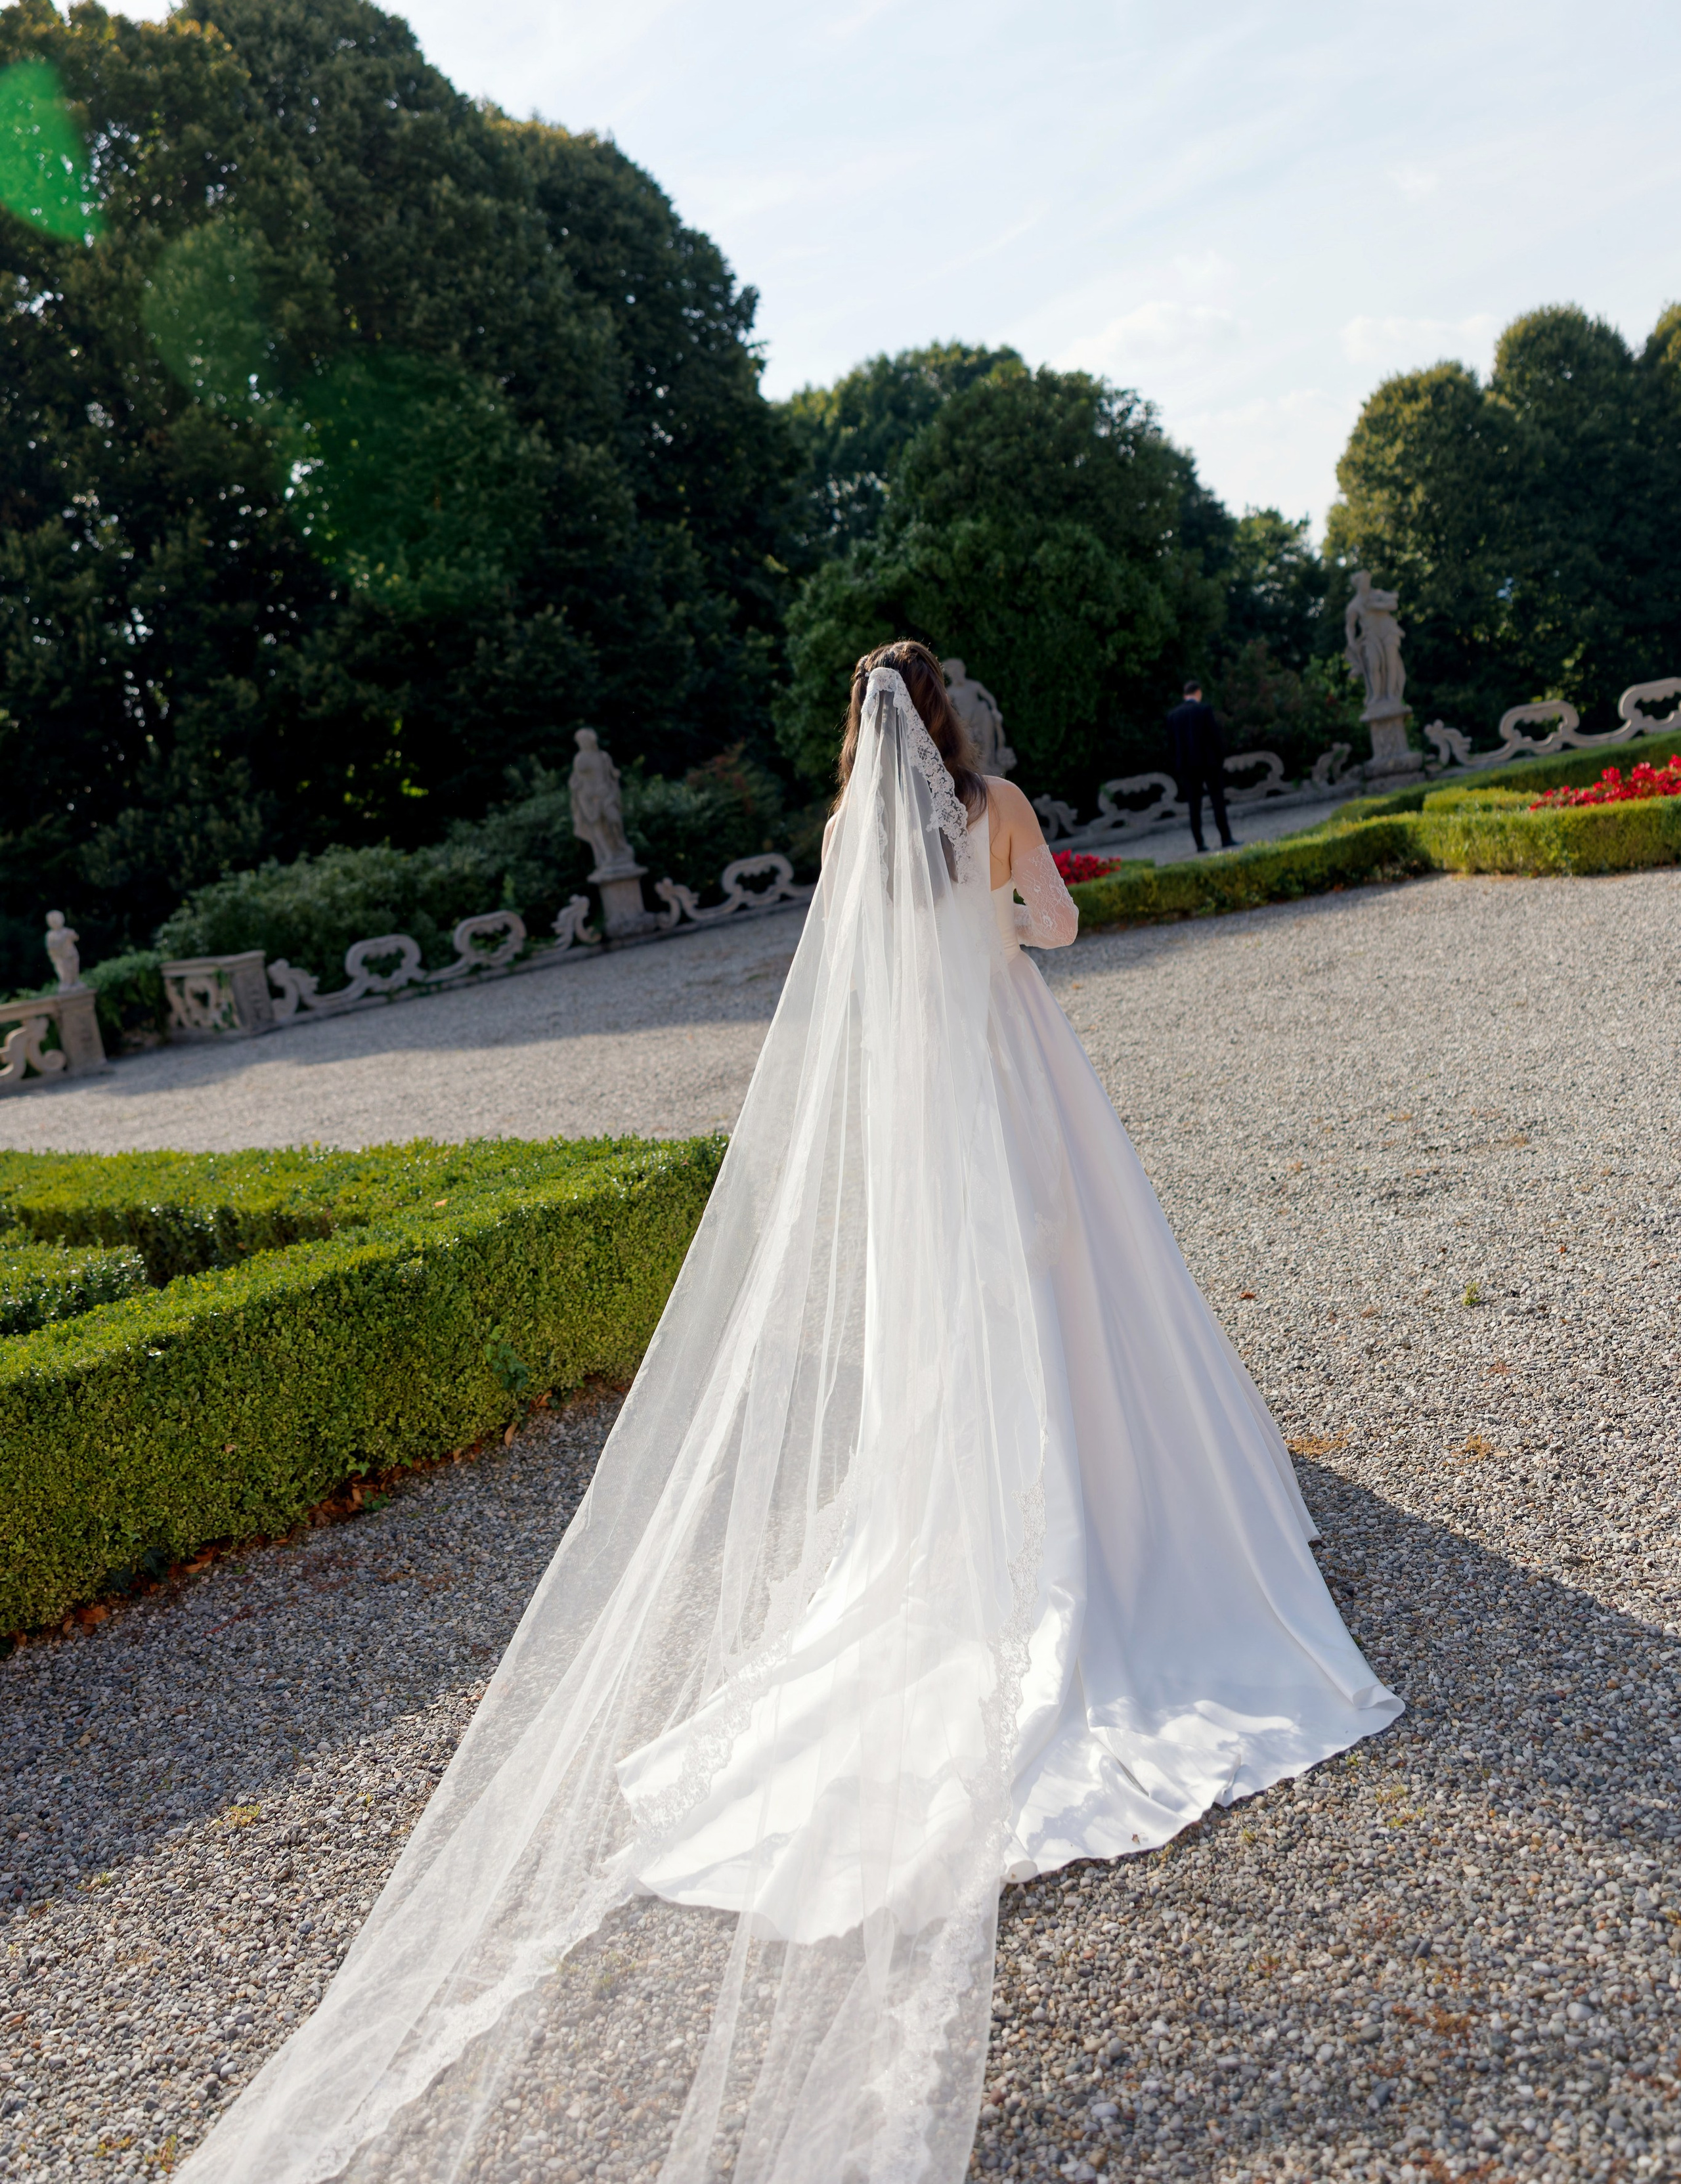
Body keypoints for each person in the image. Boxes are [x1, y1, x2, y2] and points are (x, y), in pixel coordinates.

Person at [181, 642, 1399, 2184]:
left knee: (967, 1334)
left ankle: (995, 1525)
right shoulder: (997, 805)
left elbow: (850, 1005)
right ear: (951, 713)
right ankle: (1117, 1510)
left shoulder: (844, 840)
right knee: (1077, 1299)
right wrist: (1013, 912)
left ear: (857, 730)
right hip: (1019, 1083)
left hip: (928, 1127)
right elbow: (1054, 925)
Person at [1166, 677, 1238, 852]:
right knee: (1217, 801)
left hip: (1187, 767)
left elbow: (1171, 745)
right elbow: (1215, 737)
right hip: (1209, 764)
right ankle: (1225, 838)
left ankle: (1199, 843)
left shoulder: (1173, 715)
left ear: (1185, 695)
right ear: (1198, 693)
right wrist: (1219, 758)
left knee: (1194, 805)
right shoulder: (1204, 710)